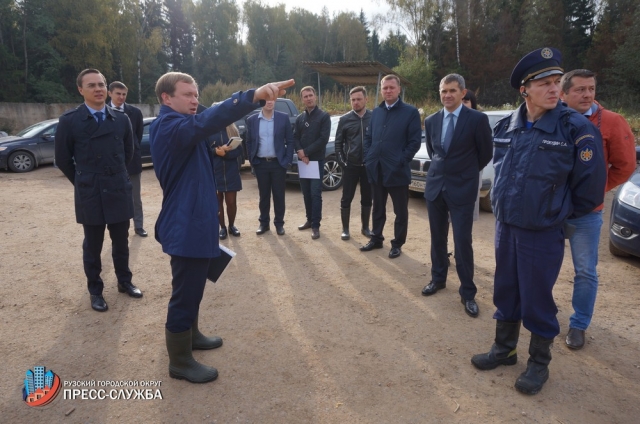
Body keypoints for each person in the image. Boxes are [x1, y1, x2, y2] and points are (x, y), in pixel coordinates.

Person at [471, 48, 606, 395]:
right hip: (506, 226)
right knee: (506, 289)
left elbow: (590, 190)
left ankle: (538, 364)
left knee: (537, 298)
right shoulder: (507, 126)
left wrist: (554, 213)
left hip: (542, 231)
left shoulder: (574, 128)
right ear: (524, 89)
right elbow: (500, 172)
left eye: (555, 83)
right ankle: (504, 350)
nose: (553, 90)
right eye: (543, 83)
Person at [150, 71, 294, 384]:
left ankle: (192, 335)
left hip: (198, 219)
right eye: (187, 94)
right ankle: (179, 361)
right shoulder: (169, 126)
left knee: (195, 286)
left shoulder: (182, 125)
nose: (194, 99)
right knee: (184, 293)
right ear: (166, 98)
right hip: (186, 224)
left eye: (196, 93)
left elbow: (207, 125)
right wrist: (253, 95)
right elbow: (209, 119)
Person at [559, 69, 636, 350]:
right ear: (564, 93)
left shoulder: (612, 122)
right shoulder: (552, 118)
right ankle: (543, 313)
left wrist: (593, 191)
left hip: (587, 214)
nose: (587, 94)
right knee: (544, 264)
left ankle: (579, 324)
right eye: (579, 89)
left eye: (591, 88)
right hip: (552, 211)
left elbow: (625, 166)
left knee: (585, 271)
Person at [55, 69, 142, 313]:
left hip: (117, 187)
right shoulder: (70, 121)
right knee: (92, 246)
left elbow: (128, 152)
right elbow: (62, 159)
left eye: (101, 84)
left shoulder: (121, 119)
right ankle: (95, 290)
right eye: (91, 85)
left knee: (121, 242)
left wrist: (112, 174)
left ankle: (125, 281)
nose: (98, 89)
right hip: (90, 190)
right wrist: (84, 180)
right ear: (81, 90)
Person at [421, 74, 493, 318]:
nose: (447, 95)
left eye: (452, 90)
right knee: (437, 239)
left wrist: (464, 174)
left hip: (462, 189)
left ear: (463, 93)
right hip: (435, 188)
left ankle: (468, 292)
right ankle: (438, 279)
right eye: (443, 91)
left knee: (462, 242)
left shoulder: (477, 120)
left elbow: (485, 154)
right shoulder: (431, 121)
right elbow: (435, 153)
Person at [361, 74, 422, 258]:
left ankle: (397, 244)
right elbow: (369, 138)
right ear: (381, 90)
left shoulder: (410, 113)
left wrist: (400, 161)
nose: (388, 91)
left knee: (400, 211)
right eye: (385, 88)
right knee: (378, 207)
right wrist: (368, 157)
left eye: (391, 87)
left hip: (397, 171)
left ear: (399, 89)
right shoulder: (377, 112)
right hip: (376, 169)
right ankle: (376, 238)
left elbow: (414, 142)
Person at [245, 99, 294, 235]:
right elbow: (248, 141)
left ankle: (279, 224)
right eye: (266, 100)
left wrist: (287, 160)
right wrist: (252, 160)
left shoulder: (283, 118)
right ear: (261, 102)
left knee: (279, 195)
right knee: (264, 195)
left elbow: (290, 141)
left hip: (278, 164)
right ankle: (264, 223)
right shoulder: (252, 120)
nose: (269, 102)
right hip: (261, 164)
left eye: (272, 99)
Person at [108, 81, 146, 237]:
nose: (121, 97)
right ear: (110, 93)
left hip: (132, 163)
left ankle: (139, 226)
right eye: (118, 93)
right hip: (110, 164)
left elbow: (137, 137)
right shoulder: (102, 112)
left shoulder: (135, 113)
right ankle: (118, 228)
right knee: (114, 198)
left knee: (135, 197)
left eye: (124, 94)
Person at [335, 86, 373, 241]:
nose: (356, 102)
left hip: (368, 167)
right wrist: (343, 163)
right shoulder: (345, 119)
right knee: (346, 198)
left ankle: (365, 228)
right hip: (351, 165)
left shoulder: (375, 117)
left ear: (366, 99)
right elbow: (338, 144)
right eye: (353, 100)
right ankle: (345, 229)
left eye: (358, 99)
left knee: (367, 198)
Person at [294, 86, 331, 240]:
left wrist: (306, 152)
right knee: (306, 193)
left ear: (315, 96)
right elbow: (295, 137)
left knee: (316, 194)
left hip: (316, 161)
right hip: (303, 161)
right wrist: (301, 153)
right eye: (305, 96)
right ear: (302, 99)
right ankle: (309, 220)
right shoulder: (300, 118)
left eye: (310, 95)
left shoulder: (323, 116)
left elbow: (323, 140)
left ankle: (316, 225)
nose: (308, 98)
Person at [211, 121, 243, 239]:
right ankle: (222, 227)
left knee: (231, 202)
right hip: (215, 172)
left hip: (231, 172)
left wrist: (225, 154)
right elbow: (203, 151)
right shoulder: (208, 130)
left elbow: (240, 150)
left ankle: (231, 225)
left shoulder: (233, 129)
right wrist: (216, 151)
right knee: (218, 201)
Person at [461, 89, 484, 222]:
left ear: (472, 103)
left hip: (471, 174)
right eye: (461, 101)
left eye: (466, 101)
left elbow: (485, 151)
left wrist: (472, 168)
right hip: (452, 176)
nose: (463, 104)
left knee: (465, 219)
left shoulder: (478, 120)